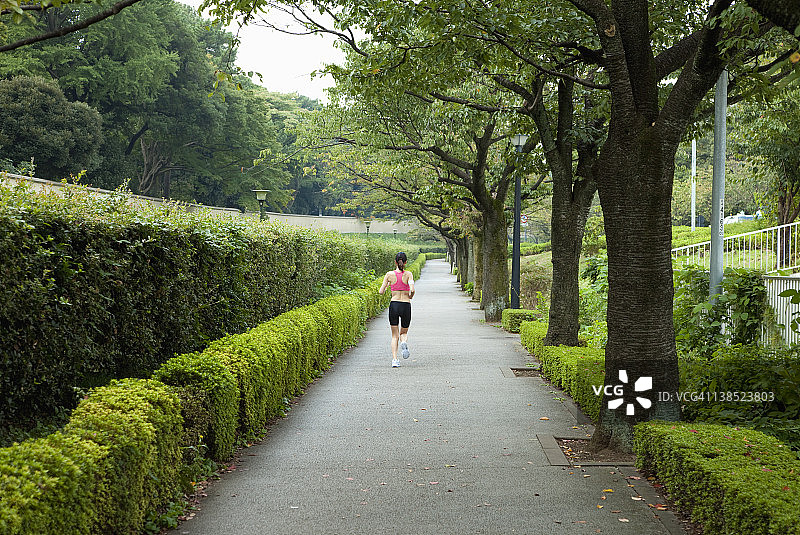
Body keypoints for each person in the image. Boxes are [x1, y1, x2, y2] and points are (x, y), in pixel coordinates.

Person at [378, 252, 415, 367]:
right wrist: (410, 296)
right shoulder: (408, 274)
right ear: (405, 262)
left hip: (394, 305)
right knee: (403, 332)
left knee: (394, 335)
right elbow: (412, 290)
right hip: (405, 305)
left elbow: (381, 291)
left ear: (395, 262)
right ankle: (404, 342)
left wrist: (387, 286)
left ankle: (395, 360)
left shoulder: (389, 275)